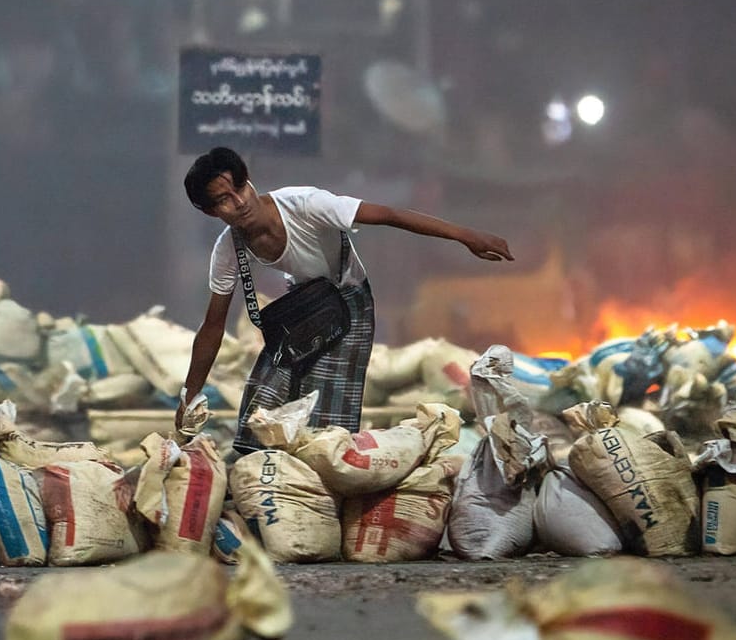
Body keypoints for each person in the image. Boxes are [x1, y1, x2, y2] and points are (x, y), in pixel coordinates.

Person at [176, 147, 513, 454]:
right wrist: (189, 397)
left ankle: (328, 488)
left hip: (350, 304)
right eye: (223, 199)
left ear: (249, 182)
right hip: (306, 310)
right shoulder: (227, 249)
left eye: (240, 188)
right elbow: (213, 326)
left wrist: (468, 236)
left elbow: (389, 215)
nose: (239, 202)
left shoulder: (305, 204)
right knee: (260, 408)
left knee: (329, 425)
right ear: (211, 212)